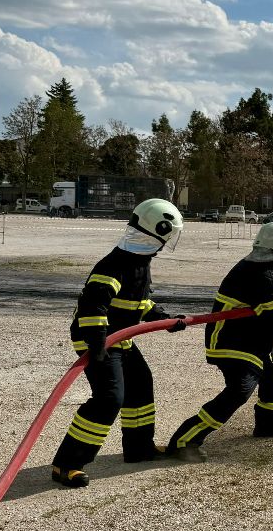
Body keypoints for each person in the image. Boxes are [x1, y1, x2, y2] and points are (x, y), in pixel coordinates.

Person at [51, 198, 186, 488]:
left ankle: (139, 448)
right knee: (109, 398)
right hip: (96, 338)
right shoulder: (115, 264)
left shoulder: (139, 262)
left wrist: (162, 317)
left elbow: (136, 301)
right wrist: (97, 345)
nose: (166, 244)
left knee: (141, 385)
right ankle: (67, 464)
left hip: (119, 337)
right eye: (167, 237)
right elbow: (93, 306)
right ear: (157, 232)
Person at [167, 222, 273, 460]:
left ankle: (268, 423)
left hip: (249, 341)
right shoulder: (261, 275)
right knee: (240, 390)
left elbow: (264, 300)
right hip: (231, 343)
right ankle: (184, 440)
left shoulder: (254, 268)